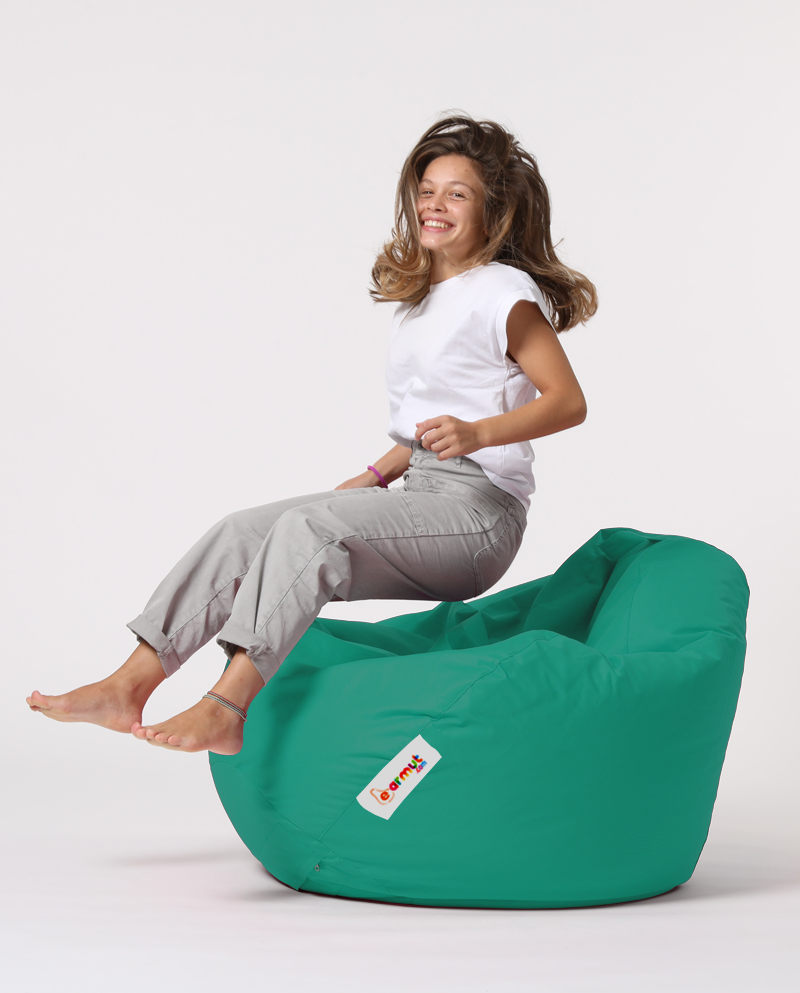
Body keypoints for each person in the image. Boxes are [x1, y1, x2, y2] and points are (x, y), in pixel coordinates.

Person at [26, 113, 597, 755]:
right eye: (426, 190)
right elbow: (431, 427)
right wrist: (376, 474)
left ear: (494, 211)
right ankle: (128, 684)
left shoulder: (503, 292)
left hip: (480, 516)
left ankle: (227, 707)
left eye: (457, 194)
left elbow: (568, 402)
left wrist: (478, 433)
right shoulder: (423, 297)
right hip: (422, 492)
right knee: (243, 530)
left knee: (309, 530)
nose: (434, 205)